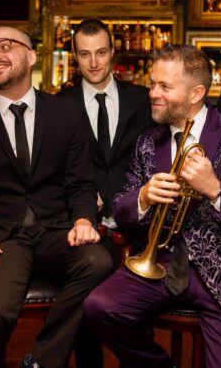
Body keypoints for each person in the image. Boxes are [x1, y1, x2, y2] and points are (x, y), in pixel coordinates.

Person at [0, 26, 113, 368]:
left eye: (6, 46)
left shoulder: (66, 114)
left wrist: (82, 219)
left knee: (99, 263)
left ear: (32, 56)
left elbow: (81, 182)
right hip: (0, 238)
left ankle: (43, 361)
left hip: (55, 232)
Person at [83, 44, 221, 368]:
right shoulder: (148, 142)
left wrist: (214, 189)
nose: (153, 93)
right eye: (153, 84)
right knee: (100, 306)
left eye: (164, 86)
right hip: (160, 266)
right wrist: (142, 197)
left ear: (196, 93)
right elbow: (122, 210)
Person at [58, 18, 153, 266]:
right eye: (84, 54)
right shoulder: (59, 105)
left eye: (101, 53)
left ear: (112, 51)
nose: (93, 63)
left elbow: (155, 157)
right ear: (75, 56)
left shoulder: (142, 100)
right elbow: (54, 167)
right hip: (82, 228)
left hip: (137, 228)